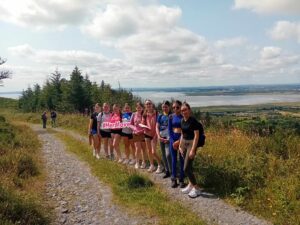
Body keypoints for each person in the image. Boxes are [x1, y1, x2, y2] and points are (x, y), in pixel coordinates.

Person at [179, 102, 203, 198]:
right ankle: (190, 185)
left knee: (186, 168)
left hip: (191, 143)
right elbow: (182, 134)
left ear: (189, 110)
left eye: (185, 110)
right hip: (184, 143)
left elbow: (196, 136)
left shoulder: (193, 121)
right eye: (182, 110)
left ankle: (197, 189)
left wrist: (193, 150)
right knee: (189, 167)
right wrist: (180, 146)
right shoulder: (182, 121)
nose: (183, 112)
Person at [142, 99, 164, 173]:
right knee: (149, 151)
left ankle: (160, 165)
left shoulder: (157, 114)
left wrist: (156, 135)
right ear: (145, 106)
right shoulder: (145, 115)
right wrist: (144, 127)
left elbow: (160, 125)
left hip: (155, 135)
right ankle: (152, 165)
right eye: (147, 104)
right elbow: (142, 124)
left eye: (149, 103)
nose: (148, 105)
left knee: (153, 151)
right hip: (147, 134)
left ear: (152, 104)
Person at [168, 100, 185, 188]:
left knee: (182, 160)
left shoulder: (183, 117)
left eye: (177, 107)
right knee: (174, 160)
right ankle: (174, 178)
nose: (175, 109)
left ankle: (181, 179)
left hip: (181, 140)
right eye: (173, 107)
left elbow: (184, 130)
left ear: (180, 107)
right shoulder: (171, 117)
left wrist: (178, 141)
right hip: (172, 140)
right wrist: (172, 141)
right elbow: (169, 130)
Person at [156, 101, 172, 179]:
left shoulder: (171, 116)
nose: (164, 108)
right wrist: (158, 136)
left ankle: (172, 171)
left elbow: (174, 128)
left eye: (166, 107)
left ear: (169, 107)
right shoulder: (160, 116)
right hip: (161, 137)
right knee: (163, 155)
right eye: (163, 107)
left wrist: (170, 138)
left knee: (168, 155)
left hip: (169, 138)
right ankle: (167, 171)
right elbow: (157, 126)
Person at [130, 102, 147, 169]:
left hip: (143, 133)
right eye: (138, 107)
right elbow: (130, 124)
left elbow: (147, 125)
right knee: (138, 148)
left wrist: (142, 131)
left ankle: (144, 162)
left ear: (142, 108)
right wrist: (135, 130)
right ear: (136, 108)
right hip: (136, 133)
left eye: (140, 107)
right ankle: (137, 162)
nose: (139, 108)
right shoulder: (133, 114)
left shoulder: (145, 115)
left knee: (143, 148)